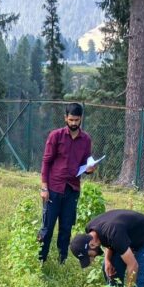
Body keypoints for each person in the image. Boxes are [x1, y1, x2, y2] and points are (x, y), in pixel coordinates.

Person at [38, 103, 94, 264]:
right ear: (65, 118)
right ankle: (41, 259)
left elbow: (86, 164)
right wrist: (44, 187)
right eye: (71, 119)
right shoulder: (56, 136)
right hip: (54, 188)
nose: (74, 123)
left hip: (72, 190)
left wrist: (90, 169)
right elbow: (46, 162)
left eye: (77, 120)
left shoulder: (86, 139)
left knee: (66, 229)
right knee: (47, 228)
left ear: (81, 118)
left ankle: (61, 260)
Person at [69, 210, 144, 287]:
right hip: (128, 236)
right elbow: (108, 240)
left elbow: (133, 265)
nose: (92, 259)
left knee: (137, 275)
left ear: (92, 244)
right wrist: (107, 261)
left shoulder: (114, 233)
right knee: (110, 265)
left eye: (90, 256)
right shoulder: (91, 230)